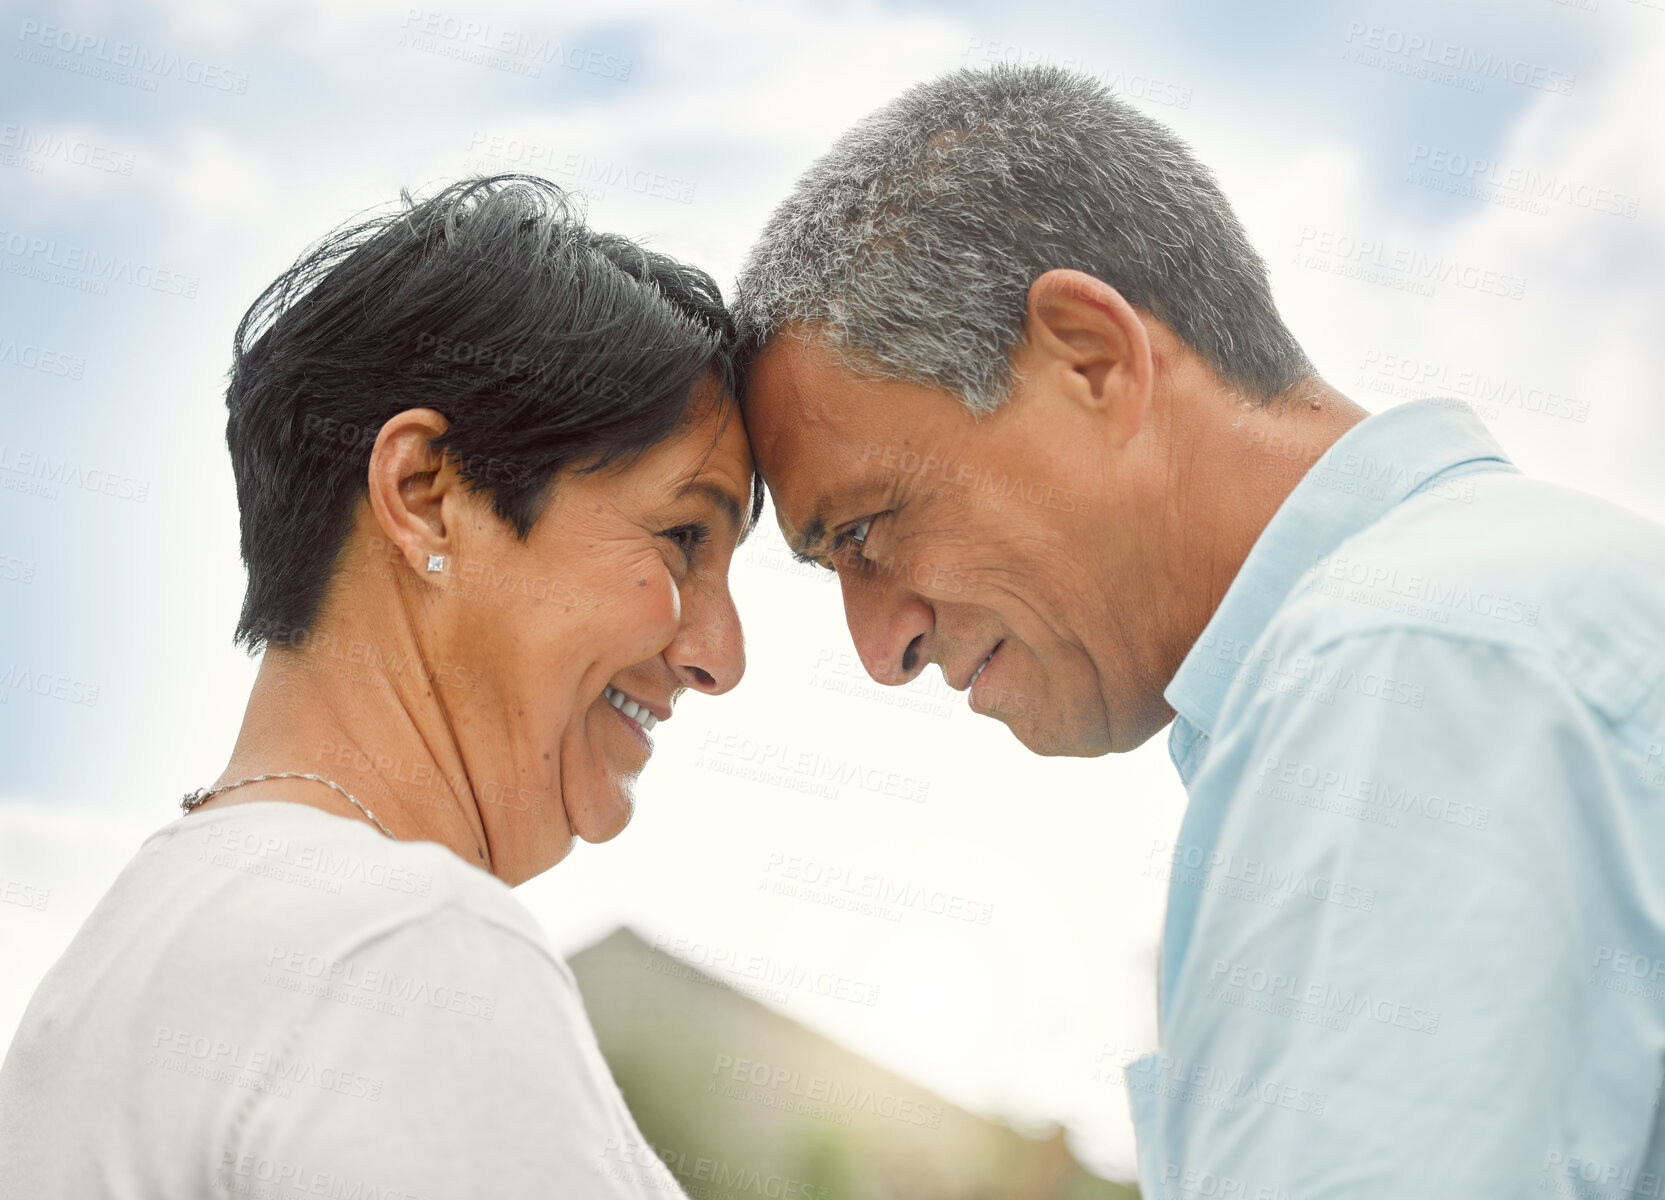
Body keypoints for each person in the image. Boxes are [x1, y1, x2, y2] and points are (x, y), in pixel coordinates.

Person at [732, 65, 1665, 1194]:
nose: (881, 649)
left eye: (869, 529)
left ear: (1090, 356)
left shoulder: (1407, 674)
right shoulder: (1472, 626)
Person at [0, 174, 758, 1198]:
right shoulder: (406, 953)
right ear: (426, 494)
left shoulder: (106, 973)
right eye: (680, 537)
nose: (722, 653)